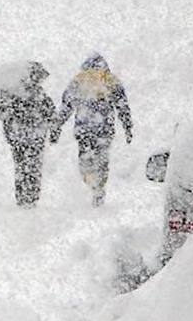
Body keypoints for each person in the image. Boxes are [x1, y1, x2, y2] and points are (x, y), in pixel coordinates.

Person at [0, 61, 58, 208]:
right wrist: (54, 134)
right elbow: (51, 115)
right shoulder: (38, 94)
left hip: (17, 137)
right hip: (36, 137)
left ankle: (23, 196)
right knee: (33, 166)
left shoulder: (8, 93)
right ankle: (31, 196)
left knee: (21, 166)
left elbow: (0, 110)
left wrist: (5, 112)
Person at [51, 53, 133, 207]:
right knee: (102, 160)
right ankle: (99, 187)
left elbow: (66, 106)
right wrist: (127, 126)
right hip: (104, 129)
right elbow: (123, 107)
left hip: (84, 129)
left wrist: (57, 126)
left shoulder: (79, 80)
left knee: (85, 159)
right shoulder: (110, 80)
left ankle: (90, 181)